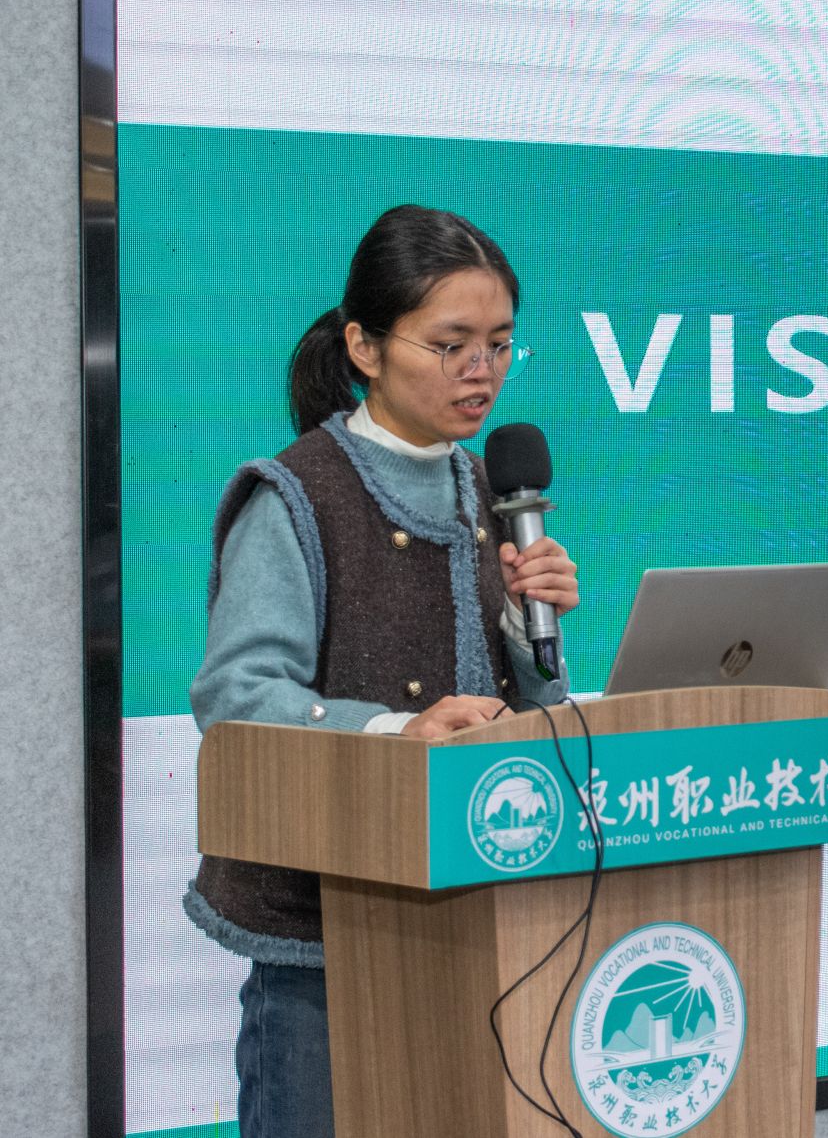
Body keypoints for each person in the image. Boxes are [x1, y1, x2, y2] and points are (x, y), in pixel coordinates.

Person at [183, 205, 580, 1137]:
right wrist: (399, 731)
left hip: (476, 913)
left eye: (500, 344)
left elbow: (523, 702)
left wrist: (533, 629)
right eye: (450, 344)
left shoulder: (490, 488)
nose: (481, 370)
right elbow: (236, 696)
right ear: (364, 345)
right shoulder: (294, 492)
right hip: (327, 937)